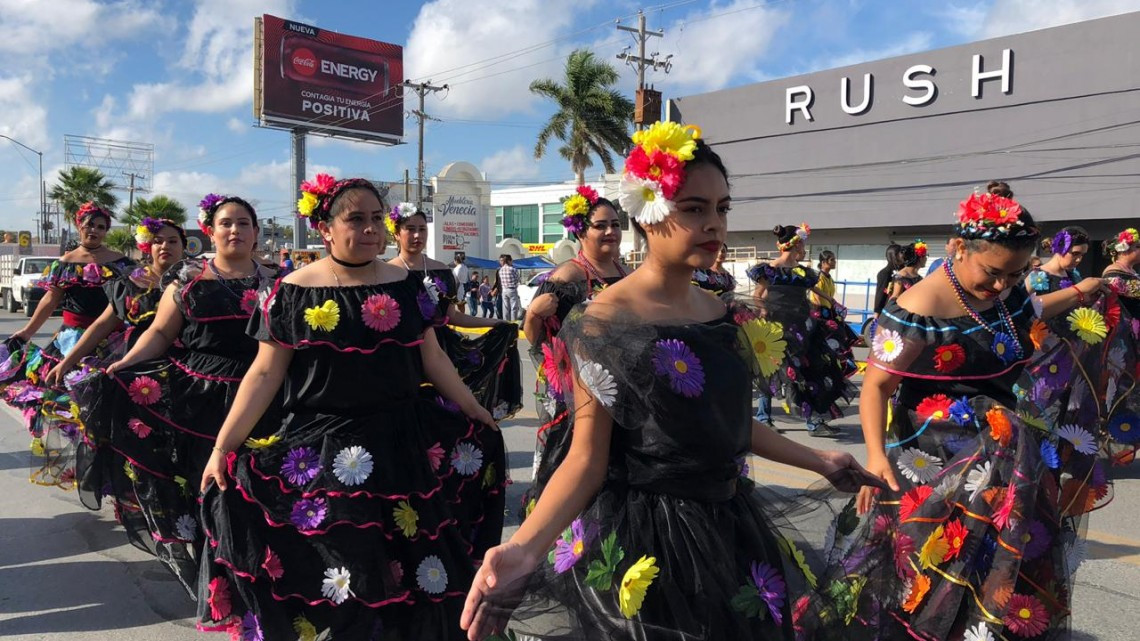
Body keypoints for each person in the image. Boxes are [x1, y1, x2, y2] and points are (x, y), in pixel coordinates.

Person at [461, 121, 880, 641]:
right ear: (650, 213)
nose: (714, 225)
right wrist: (523, 548)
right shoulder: (602, 322)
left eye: (722, 209)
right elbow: (587, 460)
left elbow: (729, 426)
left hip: (731, 530)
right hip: (646, 540)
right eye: (694, 209)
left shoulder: (725, 316)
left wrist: (820, 459)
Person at [197, 174, 505, 640]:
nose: (370, 229)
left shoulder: (408, 285)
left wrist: (472, 406)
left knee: (416, 570)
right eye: (355, 219)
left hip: (404, 446)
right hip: (325, 450)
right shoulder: (291, 291)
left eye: (377, 219)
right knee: (344, 575)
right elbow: (263, 374)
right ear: (325, 228)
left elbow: (433, 356)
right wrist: (223, 446)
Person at [811, 189, 1108, 640]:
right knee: (933, 562)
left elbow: (1037, 308)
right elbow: (876, 386)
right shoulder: (918, 309)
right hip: (934, 458)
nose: (1001, 286)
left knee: (998, 563)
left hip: (1007, 457)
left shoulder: (1008, 296)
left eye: (1015, 274)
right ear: (958, 247)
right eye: (991, 272)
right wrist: (875, 457)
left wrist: (1083, 290)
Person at [94, 194, 279, 594]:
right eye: (226, 223)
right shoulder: (187, 280)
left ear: (256, 232)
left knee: (261, 488)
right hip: (199, 401)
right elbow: (161, 333)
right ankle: (222, 579)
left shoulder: (280, 281)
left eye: (243, 223)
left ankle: (262, 574)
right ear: (210, 231)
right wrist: (126, 363)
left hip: (266, 397)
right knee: (209, 486)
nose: (235, 230)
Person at [42, 219, 186, 526]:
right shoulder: (131, 282)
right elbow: (100, 326)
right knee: (132, 439)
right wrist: (66, 362)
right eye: (159, 241)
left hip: (183, 371)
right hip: (134, 370)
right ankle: (137, 500)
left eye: (173, 241)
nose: (166, 246)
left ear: (184, 247)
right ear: (148, 246)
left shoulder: (196, 281)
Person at [0, 202, 135, 488]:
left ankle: (111, 462)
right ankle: (84, 460)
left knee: (110, 402)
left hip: (111, 341)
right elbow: (50, 301)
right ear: (78, 225)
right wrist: (25, 332)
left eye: (100, 226)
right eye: (89, 224)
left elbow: (131, 301)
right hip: (70, 340)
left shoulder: (121, 262)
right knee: (68, 403)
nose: (94, 230)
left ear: (106, 230)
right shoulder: (64, 263)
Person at [519, 185, 629, 519]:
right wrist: (533, 314)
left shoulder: (626, 273)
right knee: (573, 460)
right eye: (601, 225)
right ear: (580, 231)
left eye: (615, 223)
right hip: (576, 392)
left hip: (622, 385)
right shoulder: (568, 276)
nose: (611, 231)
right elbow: (535, 338)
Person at [387, 203, 523, 419]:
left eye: (422, 229)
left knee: (447, 413)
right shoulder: (388, 273)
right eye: (410, 229)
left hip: (443, 349)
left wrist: (494, 323)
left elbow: (453, 316)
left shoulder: (441, 269)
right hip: (404, 352)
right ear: (396, 233)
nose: (416, 235)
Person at [747, 224, 857, 437]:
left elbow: (814, 290)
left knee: (810, 372)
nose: (805, 248)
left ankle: (814, 422)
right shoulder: (769, 269)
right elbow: (758, 295)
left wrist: (832, 303)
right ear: (795, 245)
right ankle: (764, 418)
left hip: (802, 327)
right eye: (803, 244)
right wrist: (762, 313)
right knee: (770, 372)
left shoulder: (802, 272)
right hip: (776, 325)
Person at [873, 243, 903, 318]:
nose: (903, 255)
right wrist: (877, 314)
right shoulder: (885, 273)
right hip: (888, 311)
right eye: (901, 253)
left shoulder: (903, 271)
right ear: (894, 255)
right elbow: (880, 295)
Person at [499, 255, 521, 321]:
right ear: (509, 261)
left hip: (504, 290)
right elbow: (517, 279)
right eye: (511, 261)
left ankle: (506, 322)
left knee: (505, 307)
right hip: (512, 289)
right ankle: (513, 322)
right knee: (514, 308)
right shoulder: (513, 269)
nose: (512, 262)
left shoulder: (500, 270)